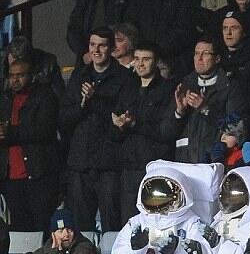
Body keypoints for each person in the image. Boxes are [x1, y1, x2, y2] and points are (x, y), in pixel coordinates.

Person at [59, 27, 138, 232]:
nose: (96, 50)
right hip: (80, 162)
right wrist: (82, 105)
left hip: (109, 163)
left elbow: (119, 118)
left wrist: (94, 101)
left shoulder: (125, 77)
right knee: (81, 228)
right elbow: (64, 119)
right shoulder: (79, 75)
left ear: (111, 48)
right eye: (93, 45)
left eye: (102, 45)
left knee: (112, 225)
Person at [111, 41, 177, 224]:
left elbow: (165, 131)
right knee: (130, 223)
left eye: (146, 59)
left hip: (155, 166)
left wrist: (134, 125)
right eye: (137, 59)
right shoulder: (128, 89)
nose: (140, 64)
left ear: (156, 62)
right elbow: (115, 128)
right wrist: (119, 126)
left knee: (157, 221)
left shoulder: (167, 89)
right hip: (129, 167)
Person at [160, 36, 247, 164]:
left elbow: (236, 130)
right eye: (196, 53)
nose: (199, 58)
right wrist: (179, 112)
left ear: (217, 59)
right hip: (185, 162)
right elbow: (166, 134)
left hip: (214, 162)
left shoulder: (229, 86)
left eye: (205, 53)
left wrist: (205, 109)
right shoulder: (185, 85)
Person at [0, 60, 60, 233]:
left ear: (31, 76)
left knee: (41, 227)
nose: (15, 80)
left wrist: (10, 132)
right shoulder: (4, 99)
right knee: (18, 230)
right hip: (10, 179)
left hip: (38, 176)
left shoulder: (45, 96)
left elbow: (44, 129)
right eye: (11, 76)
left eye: (20, 75)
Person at [127, 0, 197, 80]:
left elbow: (183, 30)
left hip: (171, 60)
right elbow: (139, 26)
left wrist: (157, 52)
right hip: (145, 55)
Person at [66, 0, 131, 66]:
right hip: (88, 63)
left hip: (119, 62)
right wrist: (84, 53)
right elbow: (73, 29)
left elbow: (132, 32)